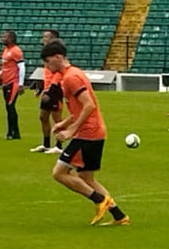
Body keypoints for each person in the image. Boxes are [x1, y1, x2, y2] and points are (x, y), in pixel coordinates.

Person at [41, 39, 129, 226]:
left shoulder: (71, 77)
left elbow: (89, 105)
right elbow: (79, 108)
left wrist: (72, 129)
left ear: (58, 57)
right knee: (86, 178)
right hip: (93, 131)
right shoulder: (71, 75)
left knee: (59, 173)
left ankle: (100, 200)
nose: (46, 66)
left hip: (88, 133)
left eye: (48, 61)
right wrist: (64, 123)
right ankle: (120, 216)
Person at [31, 29, 66, 154]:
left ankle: (59, 145)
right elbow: (46, 73)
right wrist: (40, 88)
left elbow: (57, 73)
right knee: (43, 117)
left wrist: (51, 90)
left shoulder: (57, 55)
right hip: (47, 88)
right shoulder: (47, 54)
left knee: (57, 118)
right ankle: (46, 144)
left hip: (55, 89)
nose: (43, 39)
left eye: (46, 37)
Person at [0, 30, 26, 140]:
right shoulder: (6, 50)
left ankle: (12, 132)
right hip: (5, 82)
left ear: (11, 38)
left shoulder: (16, 51)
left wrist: (21, 84)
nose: (3, 38)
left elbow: (21, 67)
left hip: (13, 82)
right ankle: (13, 132)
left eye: (5, 37)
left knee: (10, 106)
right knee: (8, 107)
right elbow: (6, 66)